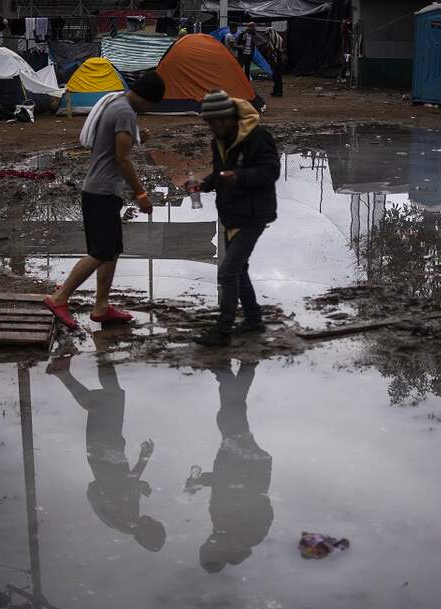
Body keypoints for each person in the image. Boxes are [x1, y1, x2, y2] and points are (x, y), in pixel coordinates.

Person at [43, 71, 165, 328]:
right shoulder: (125, 112)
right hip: (101, 191)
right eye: (151, 104)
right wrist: (141, 194)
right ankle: (59, 297)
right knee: (100, 252)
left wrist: (138, 136)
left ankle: (101, 306)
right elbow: (122, 158)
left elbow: (116, 143)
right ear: (145, 98)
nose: (149, 109)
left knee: (111, 251)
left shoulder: (116, 102)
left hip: (102, 190)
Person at [46, 353, 166, 552]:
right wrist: (137, 487)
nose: (154, 519)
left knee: (104, 401)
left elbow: (127, 482)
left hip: (105, 453)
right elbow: (122, 487)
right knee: (110, 398)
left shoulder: (127, 519)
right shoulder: (125, 522)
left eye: (155, 525)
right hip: (104, 455)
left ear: (147, 532)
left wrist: (145, 457)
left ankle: (66, 370)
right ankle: (75, 367)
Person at [190, 90, 280, 347]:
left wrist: (239, 177)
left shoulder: (259, 137)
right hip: (232, 213)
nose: (213, 127)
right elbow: (221, 173)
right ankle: (253, 319)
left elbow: (271, 171)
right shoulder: (218, 140)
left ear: (228, 117)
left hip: (254, 214)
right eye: (209, 123)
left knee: (228, 271)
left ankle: (222, 331)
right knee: (239, 270)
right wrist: (203, 185)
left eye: (216, 122)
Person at [184, 362, 272, 573]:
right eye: (210, 547)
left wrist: (201, 480)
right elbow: (249, 495)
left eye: (206, 544)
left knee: (231, 413)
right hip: (247, 463)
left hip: (240, 462)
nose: (209, 540)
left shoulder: (223, 530)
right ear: (221, 553)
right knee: (229, 415)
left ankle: (240, 367)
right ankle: (225, 371)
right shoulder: (247, 535)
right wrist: (204, 480)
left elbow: (223, 488)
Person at [266, 26, 283, 97]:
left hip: (275, 59)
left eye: (267, 34)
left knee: (276, 76)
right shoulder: (279, 38)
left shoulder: (273, 40)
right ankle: (276, 90)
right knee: (277, 75)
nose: (267, 36)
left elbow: (273, 49)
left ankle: (278, 91)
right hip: (278, 58)